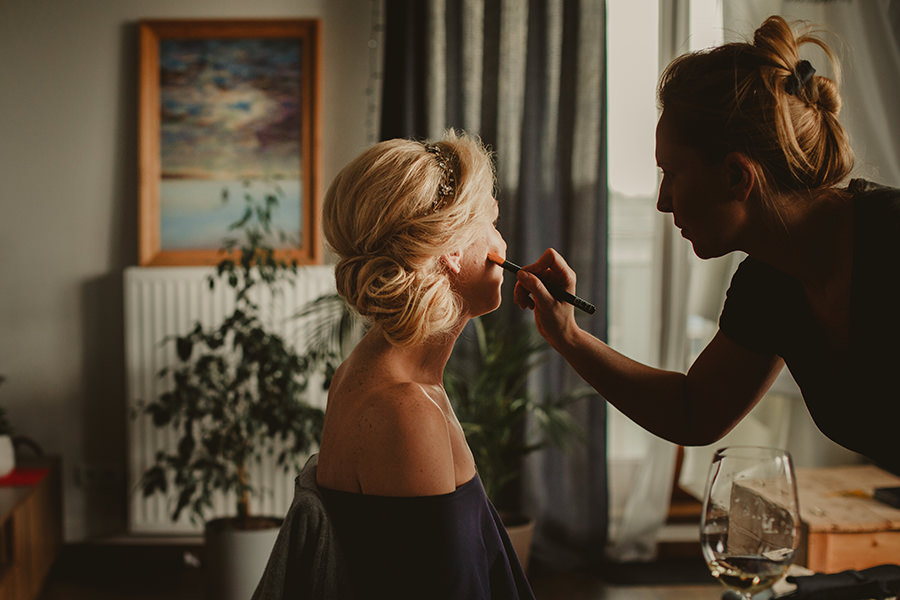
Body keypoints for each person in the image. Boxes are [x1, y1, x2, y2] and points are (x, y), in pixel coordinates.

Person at [513, 16, 900, 473]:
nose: (662, 201)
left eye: (672, 174)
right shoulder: (768, 283)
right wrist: (567, 334)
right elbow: (694, 411)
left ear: (736, 176)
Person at [315, 132, 534, 599]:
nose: (502, 241)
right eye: (491, 223)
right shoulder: (404, 409)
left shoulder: (379, 373)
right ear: (451, 250)